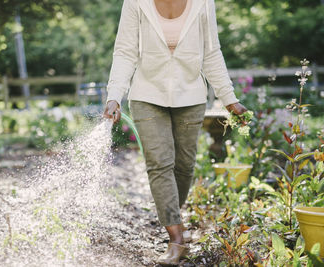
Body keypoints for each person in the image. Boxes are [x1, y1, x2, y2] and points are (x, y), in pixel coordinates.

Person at [103, 0, 247, 265]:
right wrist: (115, 95)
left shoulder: (204, 3)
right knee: (159, 164)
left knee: (184, 166)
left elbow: (211, 52)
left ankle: (172, 219)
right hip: (146, 95)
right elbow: (125, 52)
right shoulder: (136, 3)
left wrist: (229, 98)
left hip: (191, 96)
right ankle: (177, 238)